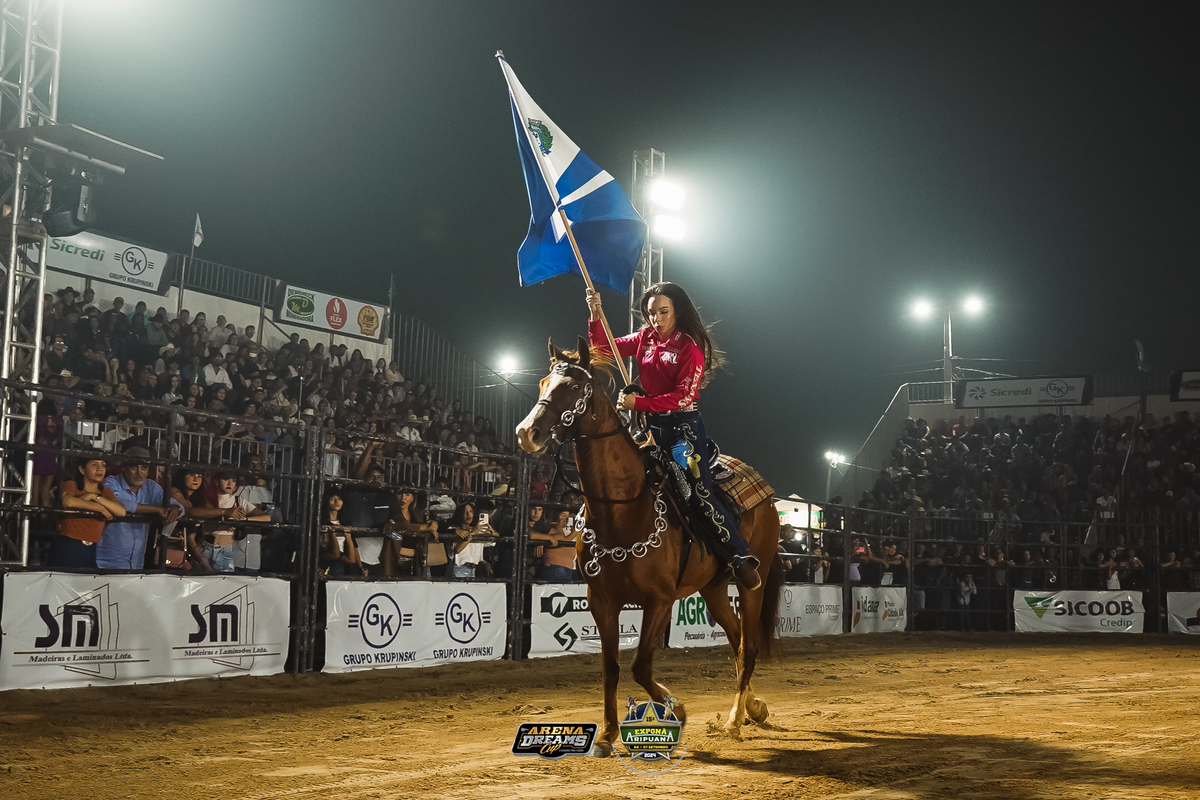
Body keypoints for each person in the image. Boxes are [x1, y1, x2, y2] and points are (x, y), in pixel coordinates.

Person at [586, 282, 760, 589]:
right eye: (651, 313)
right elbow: (603, 349)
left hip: (683, 431)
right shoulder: (644, 338)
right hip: (650, 426)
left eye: (663, 312)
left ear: (677, 311)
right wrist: (595, 315)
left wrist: (638, 403)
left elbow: (683, 397)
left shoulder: (690, 349)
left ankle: (739, 556)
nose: (656, 319)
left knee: (698, 492)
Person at [98, 447, 184, 569]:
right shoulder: (111, 482)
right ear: (124, 467)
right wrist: (157, 509)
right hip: (106, 562)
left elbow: (174, 504)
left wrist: (175, 508)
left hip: (137, 563)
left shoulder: (151, 486)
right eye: (134, 467)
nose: (139, 473)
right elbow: (119, 503)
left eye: (143, 468)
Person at [52, 454, 127, 569]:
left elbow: (121, 511)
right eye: (94, 465)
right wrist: (100, 508)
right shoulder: (72, 485)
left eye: (103, 465)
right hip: (68, 544)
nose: (100, 469)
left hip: (91, 548)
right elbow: (68, 502)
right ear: (82, 469)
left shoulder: (105, 492)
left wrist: (95, 497)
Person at [531, 509, 579, 582]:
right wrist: (576, 531)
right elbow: (562, 540)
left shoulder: (565, 529)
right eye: (564, 516)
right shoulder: (552, 527)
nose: (566, 519)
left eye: (568, 516)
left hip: (568, 568)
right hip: (555, 568)